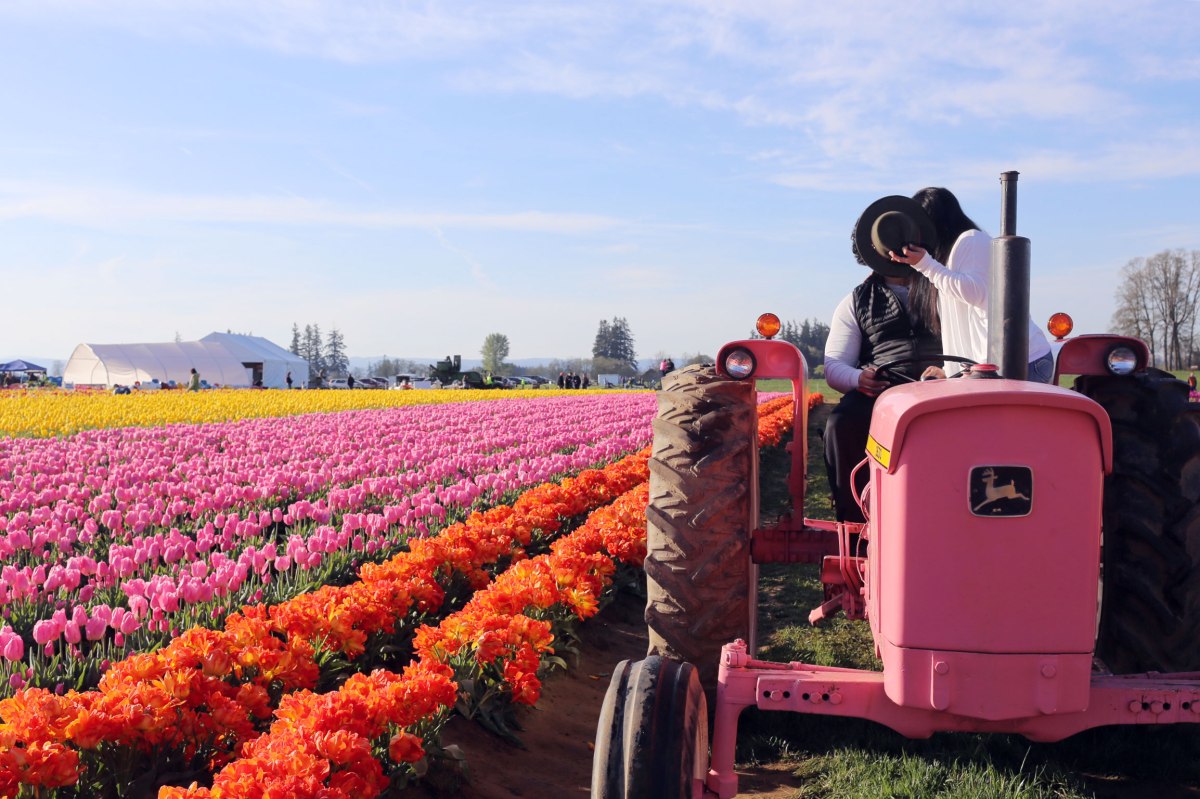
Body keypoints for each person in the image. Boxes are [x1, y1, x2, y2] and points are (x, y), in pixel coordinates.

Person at [825, 196, 944, 524]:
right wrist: (859, 379)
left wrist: (950, 371)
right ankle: (853, 520)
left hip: (946, 388)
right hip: (884, 393)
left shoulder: (945, 286)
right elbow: (835, 365)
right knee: (841, 423)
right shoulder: (855, 301)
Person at [888, 187, 1054, 382]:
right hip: (993, 367)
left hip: (1023, 363)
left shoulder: (972, 241)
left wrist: (924, 265)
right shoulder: (947, 258)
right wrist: (950, 369)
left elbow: (974, 291)